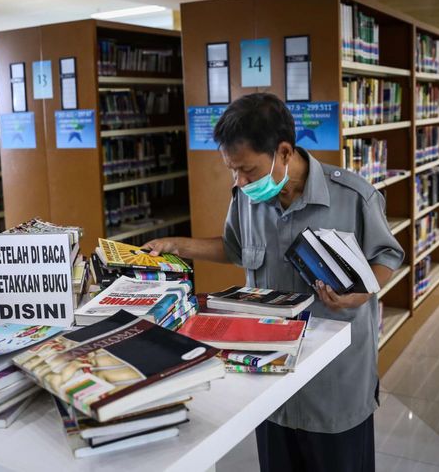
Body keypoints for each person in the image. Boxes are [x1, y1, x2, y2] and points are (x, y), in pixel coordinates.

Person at [144, 92, 404, 472]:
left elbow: (387, 256)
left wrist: (360, 294)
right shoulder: (247, 199)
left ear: (284, 152)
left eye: (247, 169)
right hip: (271, 377)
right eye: (232, 169)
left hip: (334, 385)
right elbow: (235, 249)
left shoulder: (353, 197)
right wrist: (176, 244)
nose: (240, 180)